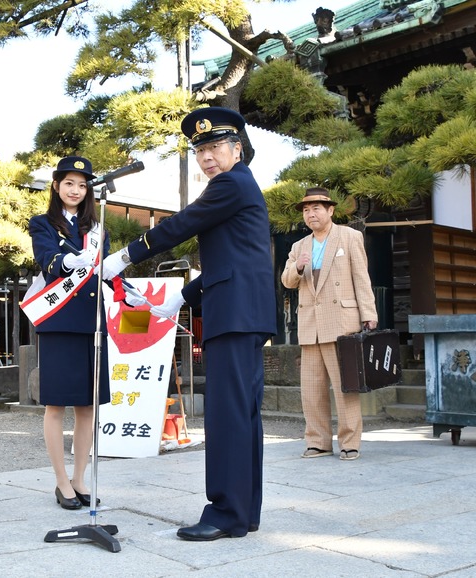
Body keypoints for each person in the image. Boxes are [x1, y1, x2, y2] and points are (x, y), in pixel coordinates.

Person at [99, 108, 277, 541]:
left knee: (227, 416)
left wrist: (124, 256)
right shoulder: (238, 188)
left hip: (235, 315)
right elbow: (230, 261)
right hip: (239, 310)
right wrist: (180, 298)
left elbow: (182, 224)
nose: (207, 157)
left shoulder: (231, 184)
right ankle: (243, 511)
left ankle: (225, 513)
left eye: (215, 146)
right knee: (242, 415)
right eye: (200, 150)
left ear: (238, 148)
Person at [28, 155, 114, 511]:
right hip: (59, 320)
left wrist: (124, 286)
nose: (76, 190)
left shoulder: (99, 227)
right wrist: (67, 262)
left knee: (87, 406)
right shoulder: (42, 223)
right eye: (69, 183)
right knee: (55, 404)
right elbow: (47, 259)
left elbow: (106, 270)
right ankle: (61, 482)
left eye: (82, 185)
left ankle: (80, 478)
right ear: (56, 185)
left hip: (91, 321)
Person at [281, 187, 378, 461]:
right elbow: (287, 281)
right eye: (306, 210)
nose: (311, 214)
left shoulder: (349, 237)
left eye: (316, 208)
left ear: (330, 210)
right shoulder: (299, 246)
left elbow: (361, 277)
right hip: (311, 325)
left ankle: (350, 443)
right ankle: (318, 441)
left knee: (346, 386)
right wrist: (298, 267)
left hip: (342, 323)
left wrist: (368, 314)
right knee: (311, 390)